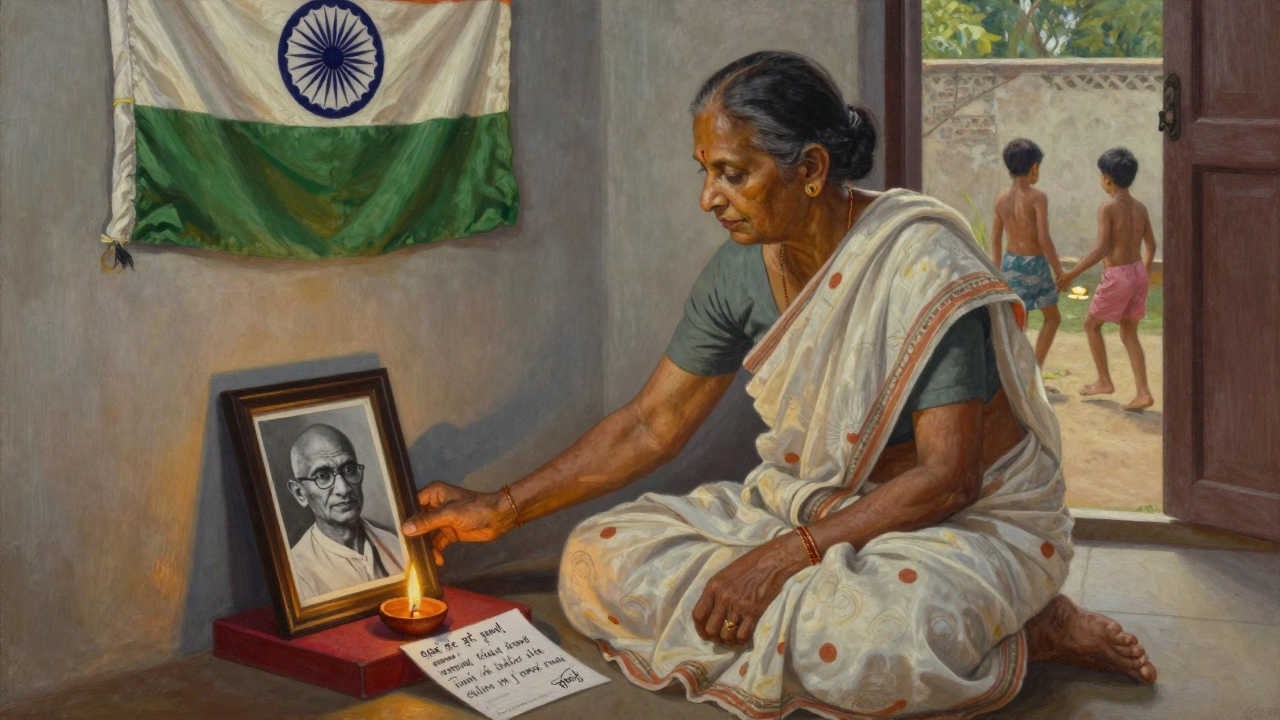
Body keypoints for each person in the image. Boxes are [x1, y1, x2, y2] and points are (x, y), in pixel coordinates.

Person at [402, 52, 1155, 718]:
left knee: (870, 647)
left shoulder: (921, 264)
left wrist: (778, 559)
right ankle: (809, 610)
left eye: (731, 173)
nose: (708, 198)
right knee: (595, 557)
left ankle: (1036, 625)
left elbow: (950, 478)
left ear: (814, 169)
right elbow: (650, 425)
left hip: (960, 524)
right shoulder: (739, 269)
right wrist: (502, 508)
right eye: (705, 172)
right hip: (816, 504)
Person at [1056, 147, 1156, 412]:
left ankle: (1104, 379)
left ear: (1108, 179)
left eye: (1101, 176)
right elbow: (1151, 246)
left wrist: (1070, 274)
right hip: (1137, 273)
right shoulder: (1141, 208)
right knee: (1129, 333)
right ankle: (1143, 392)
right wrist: (1142, 272)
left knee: (1090, 325)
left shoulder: (1108, 208)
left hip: (1118, 276)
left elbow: (1101, 249)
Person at [286, 424, 405, 601]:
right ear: (299, 493)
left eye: (348, 470)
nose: (343, 489)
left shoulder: (393, 543)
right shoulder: (298, 573)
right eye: (322, 476)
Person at [992, 139, 1065, 369]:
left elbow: (995, 237)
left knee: (1019, 321)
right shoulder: (1037, 198)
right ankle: (1035, 369)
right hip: (1035, 264)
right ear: (1034, 168)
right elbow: (1044, 239)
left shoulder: (1002, 198)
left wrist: (997, 271)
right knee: (1052, 318)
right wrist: (1059, 271)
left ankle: (1017, 375)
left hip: (1010, 263)